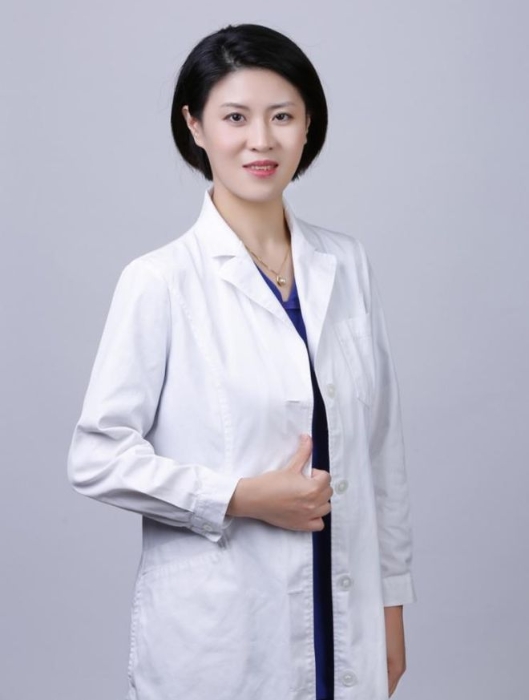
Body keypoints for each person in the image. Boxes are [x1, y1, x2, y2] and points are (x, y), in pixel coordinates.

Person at [67, 23, 417, 700]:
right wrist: (237, 497)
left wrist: (391, 606)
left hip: (343, 610)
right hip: (223, 631)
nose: (261, 140)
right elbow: (96, 457)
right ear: (194, 126)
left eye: (282, 116)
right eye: (235, 118)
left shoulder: (346, 264)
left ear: (308, 126)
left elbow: (381, 453)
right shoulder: (160, 280)